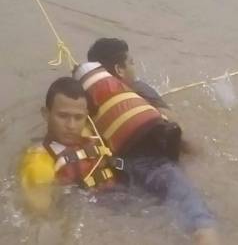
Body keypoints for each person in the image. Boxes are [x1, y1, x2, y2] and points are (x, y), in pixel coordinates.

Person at [72, 38, 220, 245]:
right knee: (200, 219)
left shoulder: (83, 99)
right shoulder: (139, 89)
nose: (134, 67)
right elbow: (172, 127)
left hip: (117, 174)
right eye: (131, 62)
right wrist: (202, 154)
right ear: (119, 70)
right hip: (154, 165)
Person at [19, 77, 122, 214]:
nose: (71, 126)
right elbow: (40, 212)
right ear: (46, 114)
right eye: (62, 116)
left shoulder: (89, 133)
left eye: (78, 118)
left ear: (86, 117)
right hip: (98, 213)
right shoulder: (39, 163)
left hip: (125, 194)